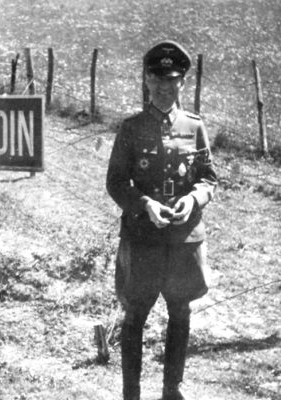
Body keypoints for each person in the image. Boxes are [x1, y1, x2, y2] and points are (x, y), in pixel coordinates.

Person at [106, 40, 217, 400]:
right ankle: (131, 394)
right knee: (135, 315)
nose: (164, 88)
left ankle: (173, 390)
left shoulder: (194, 126)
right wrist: (144, 205)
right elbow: (116, 182)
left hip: (182, 240)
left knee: (180, 313)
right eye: (157, 80)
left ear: (182, 83)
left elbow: (208, 178)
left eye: (172, 81)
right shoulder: (132, 128)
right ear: (147, 81)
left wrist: (192, 198)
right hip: (143, 238)